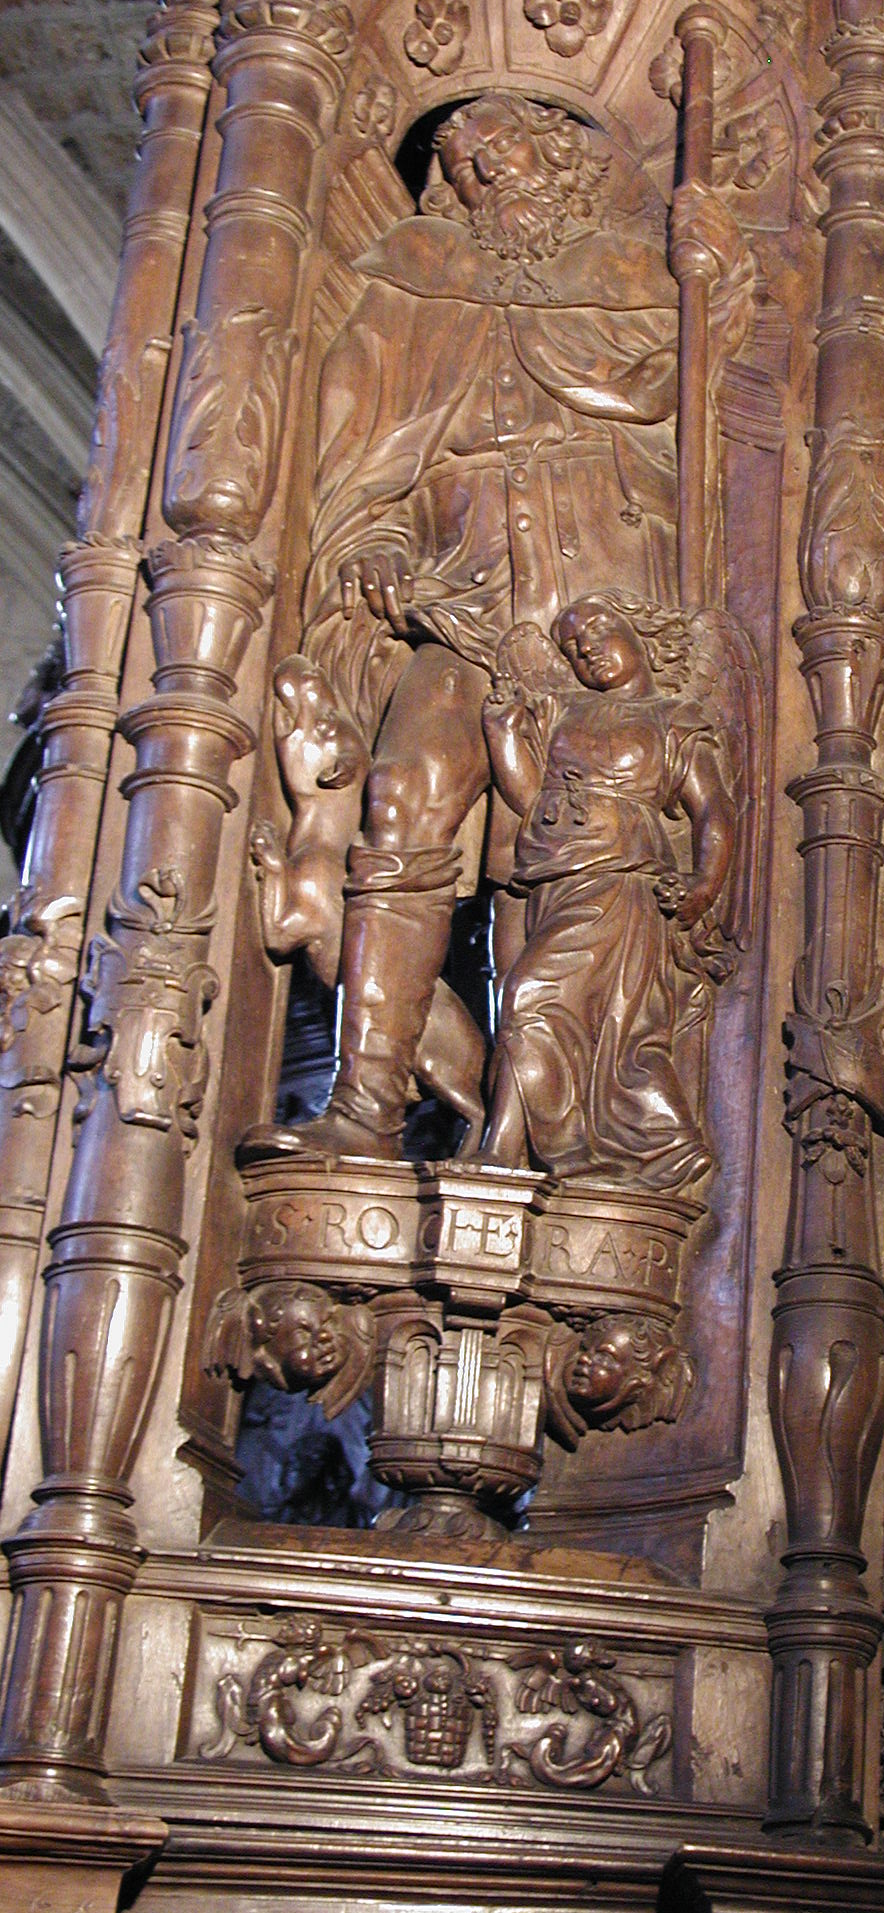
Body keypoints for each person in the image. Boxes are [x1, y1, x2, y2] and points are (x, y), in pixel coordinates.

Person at [255, 91, 752, 1161]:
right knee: (403, 793)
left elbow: (710, 400)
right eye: (465, 164)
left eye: (506, 147)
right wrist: (375, 542)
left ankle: (561, 1134)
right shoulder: (417, 276)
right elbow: (360, 447)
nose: (489, 173)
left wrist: (723, 279)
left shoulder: (638, 275)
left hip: (599, 606)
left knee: (574, 858)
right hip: (464, 595)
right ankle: (366, 1103)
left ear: (561, 154)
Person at [477, 593, 738, 1191]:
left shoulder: (673, 718)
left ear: (637, 630)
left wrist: (703, 885)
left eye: (597, 629)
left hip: (622, 880)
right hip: (555, 875)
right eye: (572, 646)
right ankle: (573, 1146)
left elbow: (713, 810)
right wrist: (503, 733)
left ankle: (509, 1149)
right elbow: (530, 798)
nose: (586, 648)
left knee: (532, 994)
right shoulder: (564, 710)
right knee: (581, 1023)